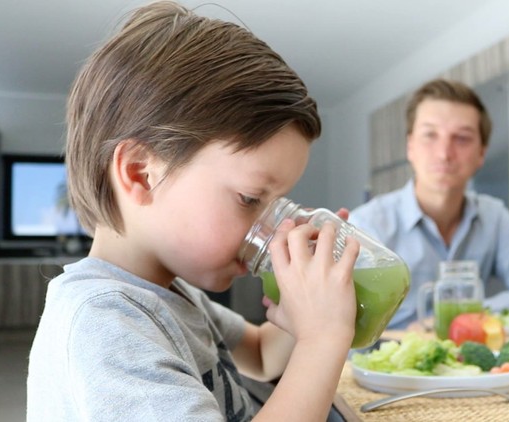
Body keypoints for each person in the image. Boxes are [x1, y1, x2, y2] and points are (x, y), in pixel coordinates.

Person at [26, 2, 359, 421]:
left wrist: (303, 310)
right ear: (142, 174)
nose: (273, 229)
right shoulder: (105, 321)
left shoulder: (170, 293)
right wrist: (323, 338)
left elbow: (259, 355)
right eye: (250, 198)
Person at [349, 78, 509, 329]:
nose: (444, 153)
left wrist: (464, 314)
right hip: (384, 363)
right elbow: (344, 324)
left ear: (481, 154)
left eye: (462, 138)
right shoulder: (367, 224)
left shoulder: (494, 217)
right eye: (430, 135)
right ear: (410, 147)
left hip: (467, 365)